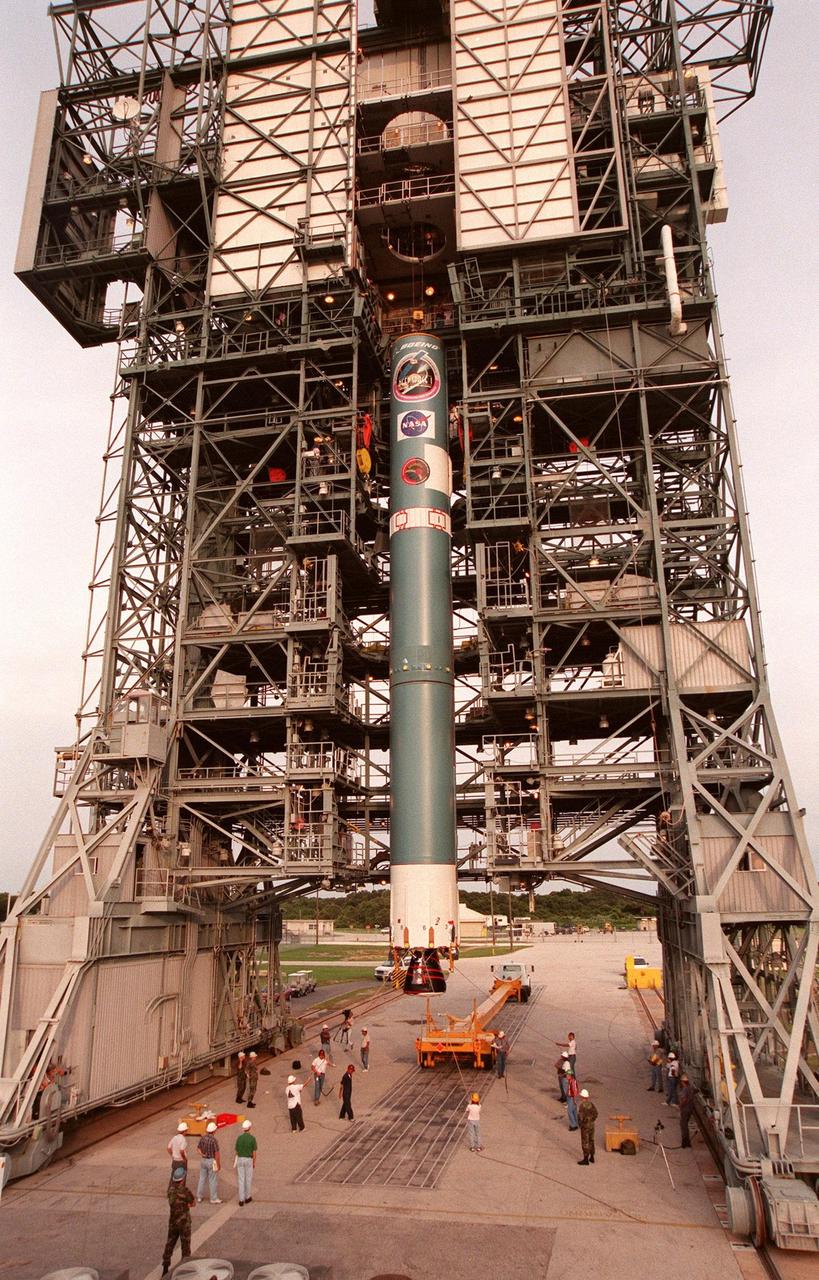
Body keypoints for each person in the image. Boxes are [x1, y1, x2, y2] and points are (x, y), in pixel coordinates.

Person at [161, 1165, 195, 1276]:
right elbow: (192, 1202)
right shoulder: (184, 1191)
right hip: (184, 1222)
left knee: (170, 1243)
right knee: (185, 1246)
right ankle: (185, 1268)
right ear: (183, 1178)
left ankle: (165, 1267)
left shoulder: (170, 1190)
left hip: (173, 1221)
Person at [195, 1121, 222, 1203]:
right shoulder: (214, 1140)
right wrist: (218, 1164)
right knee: (212, 1180)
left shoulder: (203, 1138)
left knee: (202, 1179)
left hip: (203, 1160)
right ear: (214, 1131)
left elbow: (198, 1149)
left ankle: (199, 1197)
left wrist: (202, 1154)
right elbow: (217, 1154)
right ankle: (213, 1198)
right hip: (211, 1161)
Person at [234, 1118, 257, 1206]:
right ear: (250, 1128)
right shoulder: (252, 1138)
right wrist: (254, 1163)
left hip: (240, 1159)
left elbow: (236, 1151)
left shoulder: (239, 1138)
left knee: (241, 1179)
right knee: (248, 1179)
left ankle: (241, 1199)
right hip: (248, 1159)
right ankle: (247, 1197)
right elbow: (254, 1153)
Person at [577, 1088, 598, 1165]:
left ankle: (585, 1159)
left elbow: (580, 1118)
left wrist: (581, 1124)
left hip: (585, 1126)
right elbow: (596, 1114)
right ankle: (592, 1157)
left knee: (585, 1142)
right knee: (591, 1140)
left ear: (582, 1097)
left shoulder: (582, 1106)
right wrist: (591, 1120)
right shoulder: (591, 1104)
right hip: (592, 1125)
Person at [678, 1074, 695, 1148]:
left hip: (685, 1109)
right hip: (690, 1109)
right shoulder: (690, 1088)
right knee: (685, 1124)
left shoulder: (684, 1089)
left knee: (683, 1125)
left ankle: (685, 1142)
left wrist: (680, 1105)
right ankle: (687, 1141)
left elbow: (684, 1100)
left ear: (683, 1082)